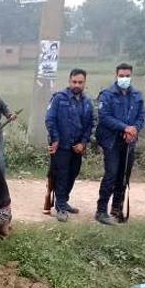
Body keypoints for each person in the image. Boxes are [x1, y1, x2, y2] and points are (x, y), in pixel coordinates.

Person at [95, 63, 145, 225]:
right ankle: (101, 210)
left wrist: (134, 130)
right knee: (111, 174)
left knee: (124, 176)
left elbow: (141, 116)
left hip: (129, 141)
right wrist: (125, 128)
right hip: (111, 141)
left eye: (127, 76)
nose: (125, 79)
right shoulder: (107, 95)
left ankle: (117, 208)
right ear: (116, 76)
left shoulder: (137, 95)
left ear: (131, 76)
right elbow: (105, 117)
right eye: (122, 76)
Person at [45, 69, 94, 222]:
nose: (77, 85)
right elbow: (50, 120)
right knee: (62, 175)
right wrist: (56, 139)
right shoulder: (59, 98)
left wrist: (83, 143)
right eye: (74, 81)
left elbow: (89, 125)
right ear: (69, 81)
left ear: (84, 83)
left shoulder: (87, 102)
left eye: (80, 82)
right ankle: (60, 207)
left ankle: (63, 201)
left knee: (73, 173)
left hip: (77, 147)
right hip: (61, 146)